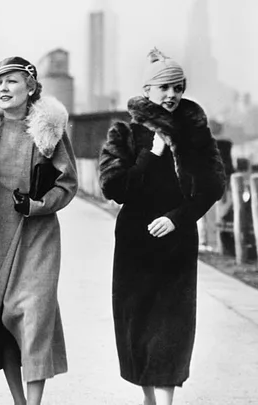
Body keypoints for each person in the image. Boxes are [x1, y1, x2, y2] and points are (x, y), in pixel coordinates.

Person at [98, 48, 225, 405]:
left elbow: (212, 186)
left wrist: (177, 218)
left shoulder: (196, 134)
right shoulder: (123, 132)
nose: (171, 95)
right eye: (164, 87)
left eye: (178, 87)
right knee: (136, 324)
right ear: (147, 90)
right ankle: (149, 398)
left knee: (172, 327)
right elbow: (115, 188)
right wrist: (150, 154)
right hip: (135, 245)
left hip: (177, 243)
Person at [0, 56, 77, 405]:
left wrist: (40, 205)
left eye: (12, 81)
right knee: (3, 321)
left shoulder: (48, 129)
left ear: (30, 87)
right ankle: (19, 401)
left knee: (33, 317)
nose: (3, 87)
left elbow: (68, 182)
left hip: (38, 236)